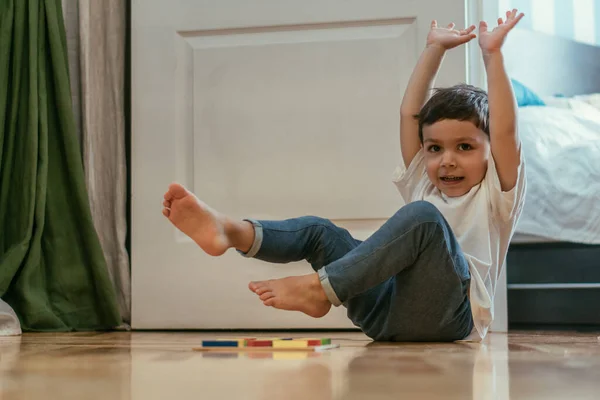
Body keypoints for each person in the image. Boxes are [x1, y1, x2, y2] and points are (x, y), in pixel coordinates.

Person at [162, 9, 527, 342]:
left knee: (424, 219)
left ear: (489, 149)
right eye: (434, 149)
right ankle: (231, 232)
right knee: (320, 232)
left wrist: (492, 56)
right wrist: (433, 49)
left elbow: (506, 131)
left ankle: (321, 290)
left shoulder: (496, 194)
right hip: (383, 313)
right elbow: (409, 115)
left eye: (464, 147)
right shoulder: (425, 183)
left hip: (450, 318)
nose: (446, 161)